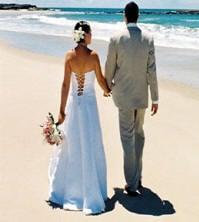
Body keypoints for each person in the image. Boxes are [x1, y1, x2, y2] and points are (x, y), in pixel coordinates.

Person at [47, 21, 111, 215]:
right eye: (91, 33)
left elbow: (66, 85)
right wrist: (108, 90)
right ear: (87, 35)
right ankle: (92, 192)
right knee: (90, 146)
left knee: (72, 147)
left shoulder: (69, 56)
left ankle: (69, 190)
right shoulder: (94, 56)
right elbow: (100, 80)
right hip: (89, 108)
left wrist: (61, 112)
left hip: (74, 106)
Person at [105, 2, 159, 196]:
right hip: (141, 96)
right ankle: (138, 177)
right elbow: (151, 71)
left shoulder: (115, 38)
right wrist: (155, 98)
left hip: (123, 96)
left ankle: (132, 183)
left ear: (124, 16)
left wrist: (107, 87)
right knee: (139, 135)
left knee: (128, 139)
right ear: (139, 16)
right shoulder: (148, 39)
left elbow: (109, 67)